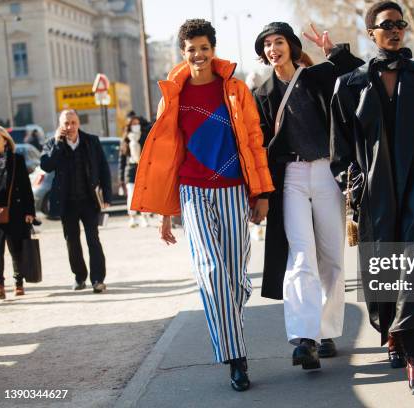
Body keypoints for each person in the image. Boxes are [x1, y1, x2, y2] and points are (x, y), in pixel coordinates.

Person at [130, 19, 274, 392]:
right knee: (211, 272)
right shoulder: (173, 96)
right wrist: (166, 212)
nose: (198, 54)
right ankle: (236, 358)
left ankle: (230, 321)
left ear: (213, 49)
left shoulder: (236, 89)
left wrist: (261, 194)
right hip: (193, 190)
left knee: (235, 275)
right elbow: (166, 157)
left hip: (234, 190)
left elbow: (255, 142)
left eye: (204, 48)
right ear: (183, 52)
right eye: (191, 49)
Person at [330, 1, 414, 394]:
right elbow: (339, 151)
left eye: (400, 24)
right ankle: (391, 332)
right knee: (382, 264)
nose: (395, 30)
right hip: (375, 192)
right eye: (386, 25)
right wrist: (352, 185)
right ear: (371, 32)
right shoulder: (349, 85)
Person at [253, 21, 363, 370]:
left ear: (292, 46)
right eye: (267, 44)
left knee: (331, 256)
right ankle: (304, 337)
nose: (273, 48)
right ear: (263, 54)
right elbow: (260, 145)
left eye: (279, 41)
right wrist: (261, 192)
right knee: (301, 256)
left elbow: (358, 76)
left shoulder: (316, 77)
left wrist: (333, 51)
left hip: (327, 171)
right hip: (292, 177)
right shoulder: (263, 92)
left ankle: (326, 330)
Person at [40, 109, 111, 294]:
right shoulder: (52, 144)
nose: (70, 127)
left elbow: (103, 169)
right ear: (60, 125)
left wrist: (107, 197)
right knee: (72, 242)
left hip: (89, 201)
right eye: (66, 123)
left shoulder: (91, 141)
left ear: (78, 122)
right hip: (67, 202)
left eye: (73, 122)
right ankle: (80, 277)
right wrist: (57, 142)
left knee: (93, 240)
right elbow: (47, 166)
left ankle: (97, 280)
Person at [0, 126, 35, 299]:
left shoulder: (16, 159)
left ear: (5, 140)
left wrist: (30, 211)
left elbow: (26, 187)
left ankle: (18, 282)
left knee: (16, 249)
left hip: (15, 211)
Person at [119, 116, 149, 228]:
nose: (136, 126)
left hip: (142, 169)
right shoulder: (126, 139)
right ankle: (132, 217)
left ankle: (144, 217)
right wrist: (121, 179)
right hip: (130, 170)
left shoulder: (144, 136)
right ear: (129, 126)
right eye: (133, 124)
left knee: (143, 195)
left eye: (137, 123)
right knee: (131, 195)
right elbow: (121, 160)